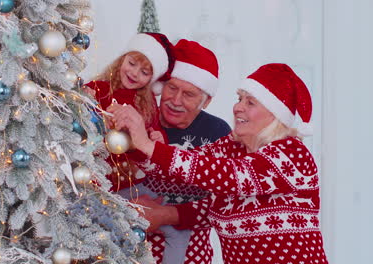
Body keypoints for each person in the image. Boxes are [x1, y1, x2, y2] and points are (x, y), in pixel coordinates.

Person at [111, 63, 329, 264]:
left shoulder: (291, 153)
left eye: (250, 102)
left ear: (275, 114)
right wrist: (135, 143)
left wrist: (149, 146)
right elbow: (175, 171)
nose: (238, 108)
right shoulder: (232, 147)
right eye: (239, 98)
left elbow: (229, 176)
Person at [122, 39, 231, 264]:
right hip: (126, 250)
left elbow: (226, 204)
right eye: (172, 88)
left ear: (207, 101)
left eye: (189, 94)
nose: (175, 101)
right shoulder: (139, 118)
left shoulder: (218, 133)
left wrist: (165, 215)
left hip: (191, 256)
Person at [85, 32, 173, 191]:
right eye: (131, 63)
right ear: (122, 60)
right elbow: (77, 107)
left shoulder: (148, 103)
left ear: (151, 79)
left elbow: (154, 133)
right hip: (94, 176)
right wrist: (84, 98)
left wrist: (159, 138)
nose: (134, 73)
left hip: (130, 183)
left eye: (144, 72)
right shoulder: (100, 88)